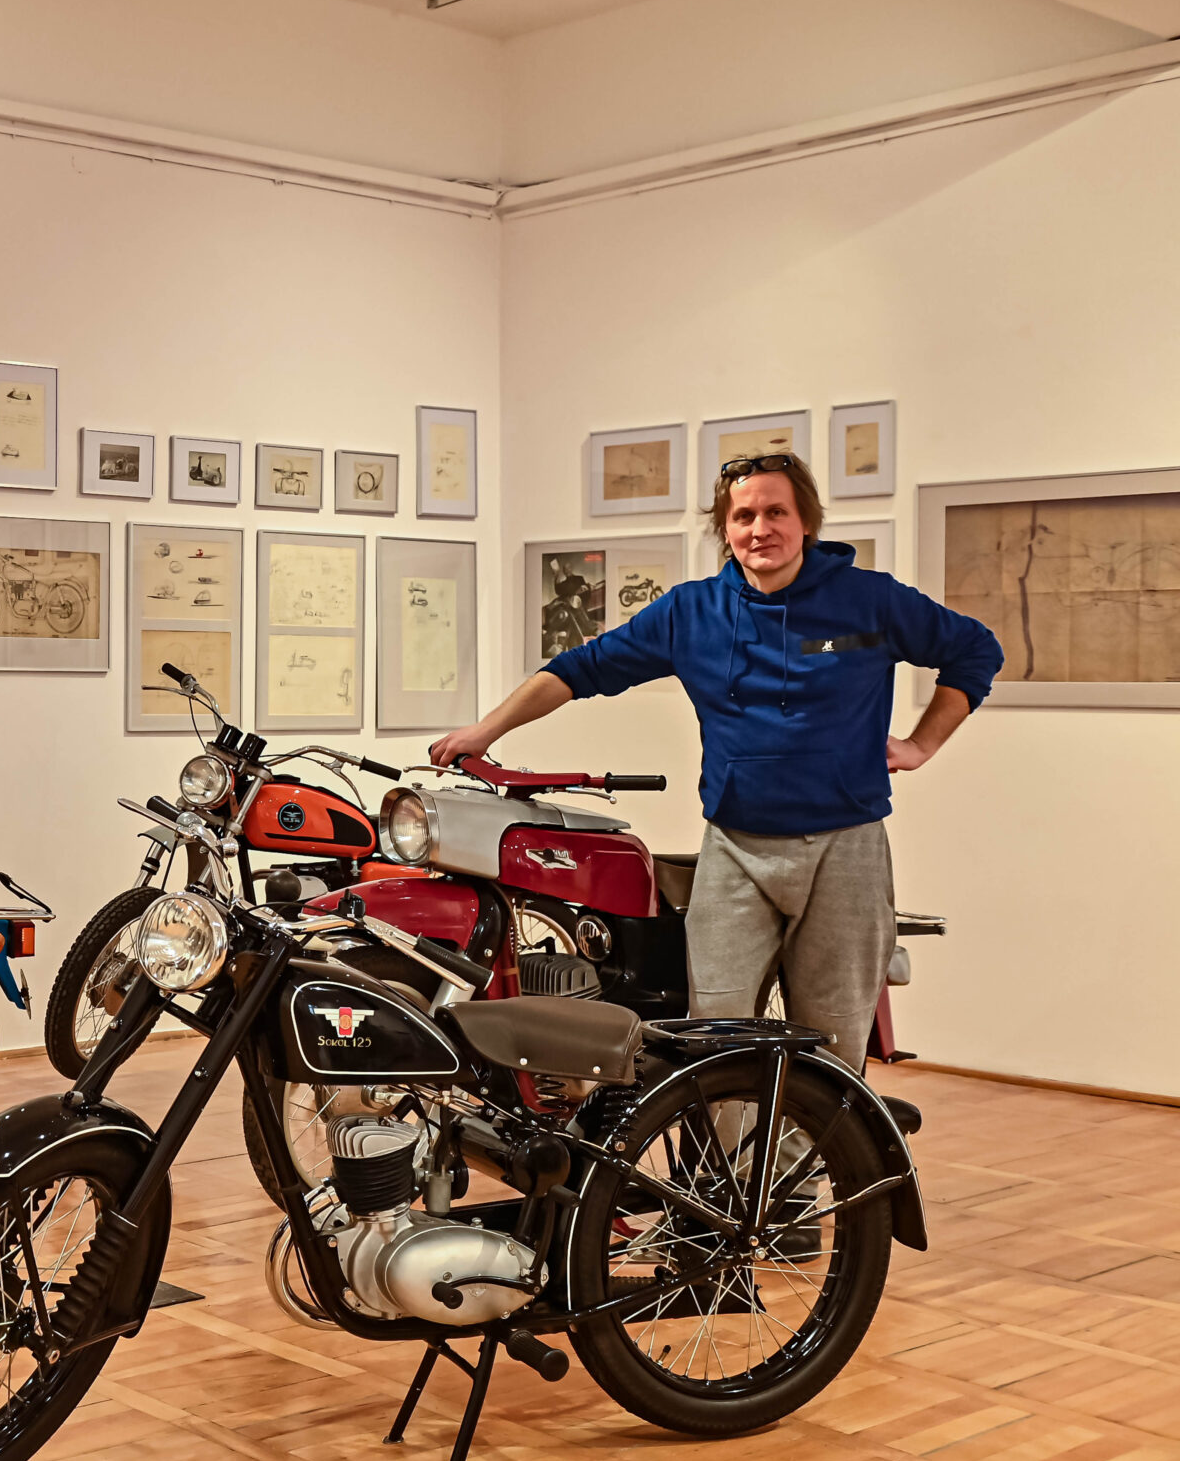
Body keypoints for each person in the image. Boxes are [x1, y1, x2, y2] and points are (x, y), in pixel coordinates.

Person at [429, 453, 1003, 1070]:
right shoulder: (691, 612)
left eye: (776, 512)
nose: (761, 529)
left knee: (834, 1038)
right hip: (735, 848)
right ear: (726, 530)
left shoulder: (870, 601)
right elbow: (578, 670)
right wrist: (486, 729)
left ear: (806, 522)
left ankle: (816, 1137)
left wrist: (921, 745)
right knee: (712, 1035)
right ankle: (726, 1138)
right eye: (744, 516)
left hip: (846, 848)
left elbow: (975, 650)